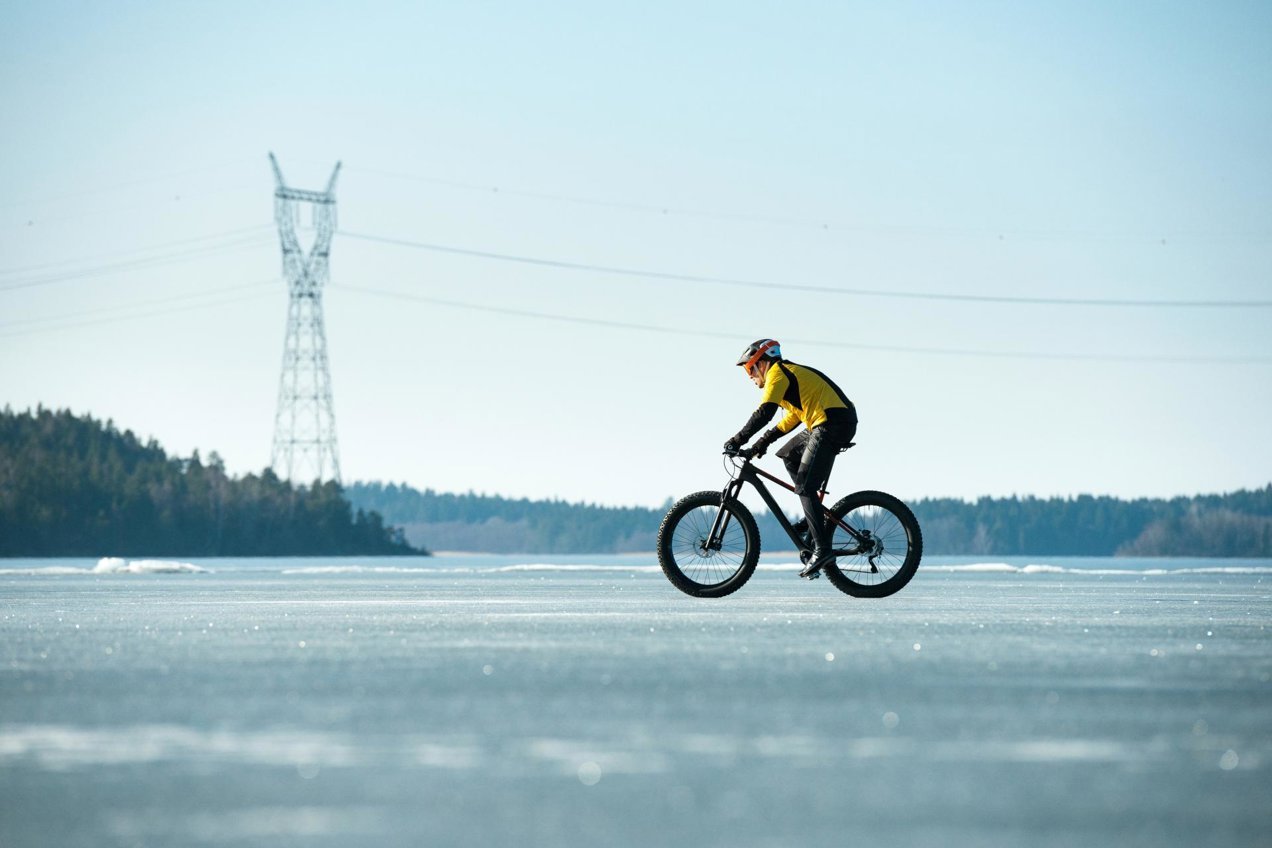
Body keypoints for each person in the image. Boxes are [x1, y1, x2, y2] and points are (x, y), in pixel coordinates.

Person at [723, 339, 858, 578]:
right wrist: (760, 444)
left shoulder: (777, 373)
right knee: (788, 455)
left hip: (832, 423)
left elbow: (764, 413)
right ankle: (812, 518)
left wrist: (738, 440)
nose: (749, 376)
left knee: (805, 486)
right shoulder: (788, 376)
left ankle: (822, 550)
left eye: (749, 369)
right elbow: (792, 418)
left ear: (761, 363)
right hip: (827, 422)